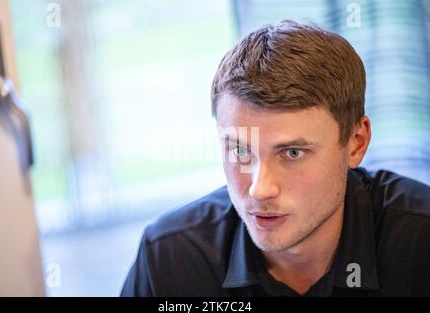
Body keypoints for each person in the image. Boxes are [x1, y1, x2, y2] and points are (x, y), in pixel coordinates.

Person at [121, 20, 430, 297]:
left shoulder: (419, 244)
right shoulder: (172, 258)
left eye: (292, 153)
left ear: (356, 143)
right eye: (241, 150)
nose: (260, 189)